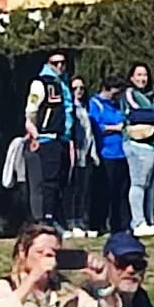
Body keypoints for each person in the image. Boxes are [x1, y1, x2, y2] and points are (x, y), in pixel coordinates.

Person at [24, 51, 75, 228]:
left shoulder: (63, 83)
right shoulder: (41, 82)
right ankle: (48, 219)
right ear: (48, 63)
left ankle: (59, 218)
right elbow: (31, 109)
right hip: (47, 138)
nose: (60, 66)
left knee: (61, 180)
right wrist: (34, 131)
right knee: (49, 181)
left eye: (63, 63)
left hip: (62, 138)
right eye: (55, 63)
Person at [122, 63, 154, 236]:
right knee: (138, 183)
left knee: (151, 187)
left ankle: (149, 221)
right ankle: (138, 222)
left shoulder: (153, 96)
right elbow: (134, 113)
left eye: (145, 75)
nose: (142, 79)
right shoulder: (129, 93)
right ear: (132, 77)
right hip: (139, 144)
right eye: (139, 75)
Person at [87, 80, 130, 234]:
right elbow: (95, 126)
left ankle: (119, 225)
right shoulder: (95, 104)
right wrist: (115, 128)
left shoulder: (116, 105)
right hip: (105, 153)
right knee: (104, 191)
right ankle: (96, 224)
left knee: (121, 191)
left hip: (121, 153)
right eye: (115, 91)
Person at [65, 76, 96, 236]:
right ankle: (71, 221)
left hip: (85, 153)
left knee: (83, 189)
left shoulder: (85, 108)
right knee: (73, 189)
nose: (79, 92)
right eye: (75, 88)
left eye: (81, 88)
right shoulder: (69, 109)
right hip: (73, 153)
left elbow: (89, 133)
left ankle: (81, 221)